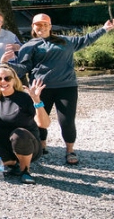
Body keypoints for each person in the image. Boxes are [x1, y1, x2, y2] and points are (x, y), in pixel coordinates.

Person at [9, 14, 114, 165]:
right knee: (40, 119)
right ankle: (42, 145)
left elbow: (86, 39)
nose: (42, 27)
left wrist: (104, 29)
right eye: (38, 25)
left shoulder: (66, 41)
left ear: (50, 26)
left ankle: (70, 150)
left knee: (67, 121)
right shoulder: (28, 46)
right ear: (33, 27)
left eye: (45, 24)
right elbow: (24, 68)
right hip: (40, 88)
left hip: (67, 87)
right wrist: (6, 65)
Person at [0, 65, 50, 184]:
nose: (3, 81)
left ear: (14, 80)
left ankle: (25, 170)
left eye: (7, 78)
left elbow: (43, 124)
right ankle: (14, 162)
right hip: (5, 144)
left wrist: (37, 101)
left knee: (18, 134)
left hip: (28, 144)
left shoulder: (25, 98)